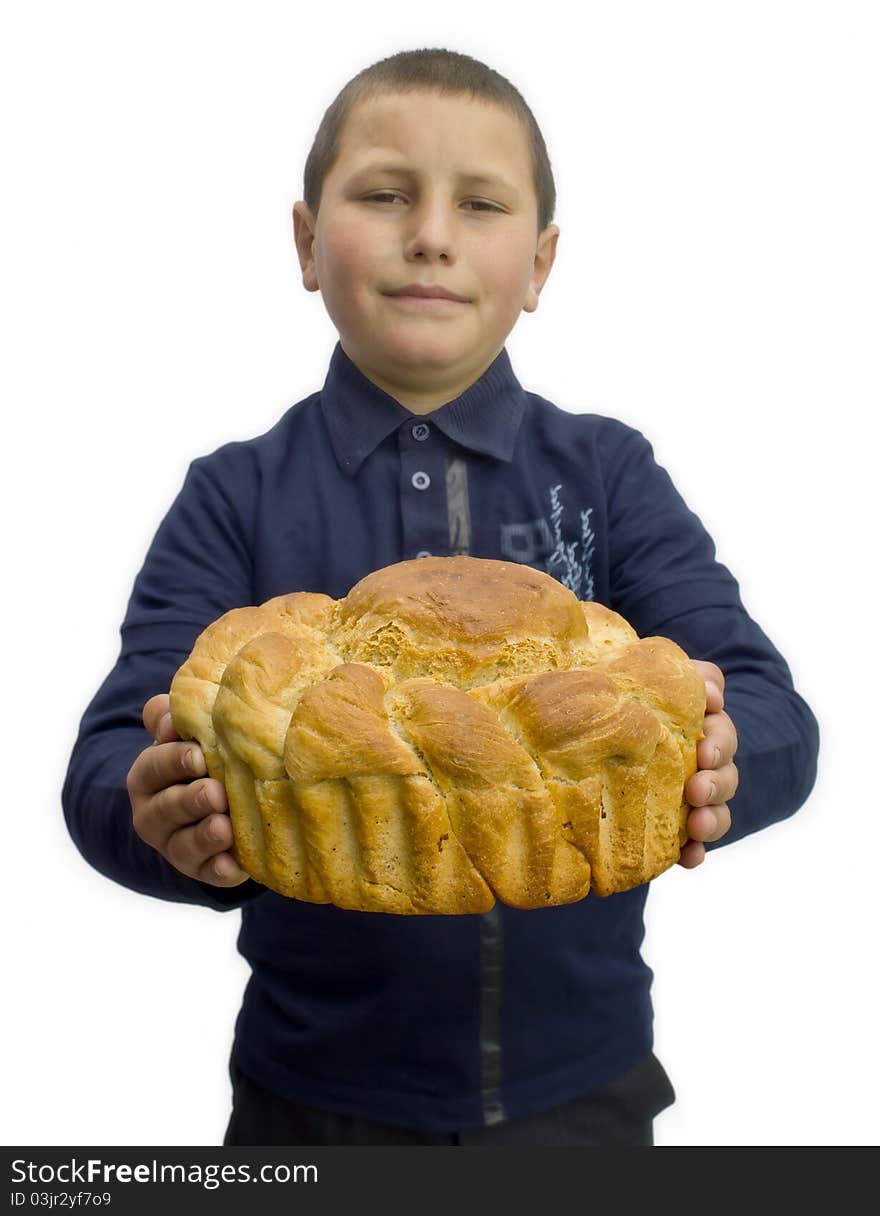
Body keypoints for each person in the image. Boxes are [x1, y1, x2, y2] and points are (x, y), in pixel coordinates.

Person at [62, 47, 820, 1147]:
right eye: (383, 193)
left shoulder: (608, 471)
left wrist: (721, 757)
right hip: (312, 1104)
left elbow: (771, 708)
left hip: (585, 1092)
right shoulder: (234, 495)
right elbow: (106, 759)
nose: (431, 232)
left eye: (478, 202)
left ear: (541, 262)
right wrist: (157, 818)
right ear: (307, 244)